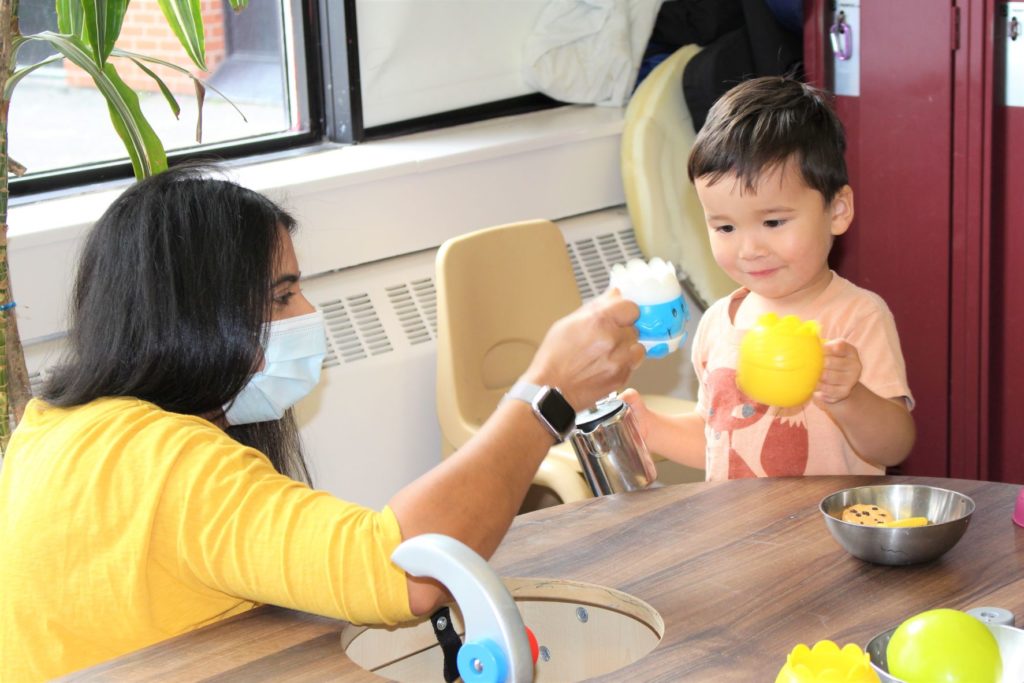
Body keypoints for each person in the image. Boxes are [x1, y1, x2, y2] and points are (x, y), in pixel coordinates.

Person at [0, 165, 645, 680]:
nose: (308, 312)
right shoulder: (171, 462)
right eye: (282, 296)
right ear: (199, 317)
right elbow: (412, 569)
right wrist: (546, 398)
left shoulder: (47, 430)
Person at [623, 76, 915, 480]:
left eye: (773, 221)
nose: (749, 249)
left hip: (826, 537)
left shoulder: (855, 316)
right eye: (725, 228)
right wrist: (650, 428)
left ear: (837, 211)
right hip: (741, 536)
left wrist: (849, 396)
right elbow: (717, 439)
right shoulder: (717, 324)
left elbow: (895, 445)